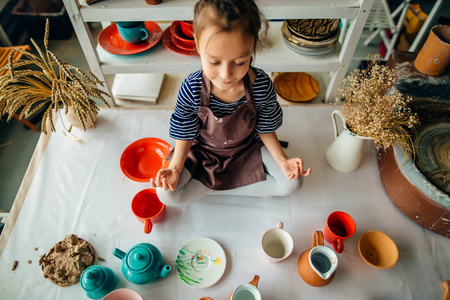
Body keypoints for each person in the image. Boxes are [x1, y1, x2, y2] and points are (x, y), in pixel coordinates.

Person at [150, 0, 311, 205]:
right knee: (167, 195)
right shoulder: (192, 87)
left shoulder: (261, 85)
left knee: (293, 183)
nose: (226, 74)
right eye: (214, 62)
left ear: (252, 46)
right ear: (198, 44)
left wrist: (282, 161)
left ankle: (210, 187)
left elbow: (266, 127)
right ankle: (235, 185)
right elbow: (185, 132)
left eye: (240, 62)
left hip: (247, 149)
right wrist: (174, 168)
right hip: (202, 151)